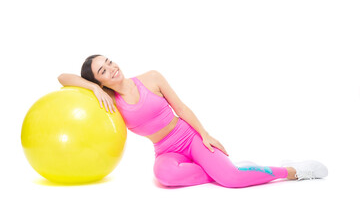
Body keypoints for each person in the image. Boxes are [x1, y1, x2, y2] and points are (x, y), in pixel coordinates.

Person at [57, 54, 328, 188]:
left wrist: (205, 135)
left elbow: (181, 107)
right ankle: (223, 170)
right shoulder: (108, 99)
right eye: (102, 71)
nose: (111, 68)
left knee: (231, 179)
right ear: (99, 81)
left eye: (109, 61)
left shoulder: (151, 77)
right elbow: (62, 77)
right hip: (165, 150)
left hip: (188, 136)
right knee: (163, 176)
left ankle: (291, 171)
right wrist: (92, 89)